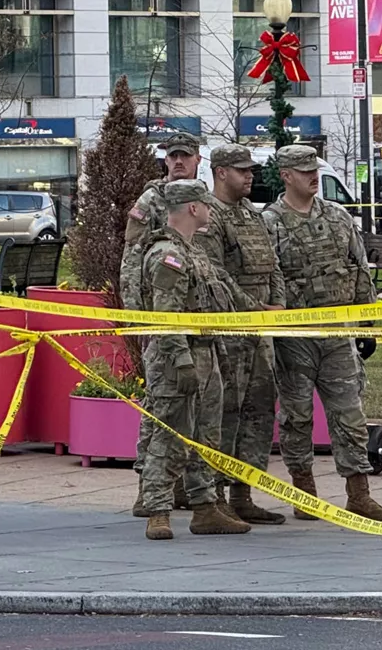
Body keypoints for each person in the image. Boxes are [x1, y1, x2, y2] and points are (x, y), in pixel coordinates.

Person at [263, 145, 382, 522]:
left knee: (350, 415)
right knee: (297, 418)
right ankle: (304, 492)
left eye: (314, 169)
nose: (313, 176)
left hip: (337, 337)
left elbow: (358, 267)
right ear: (286, 175)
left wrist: (367, 321)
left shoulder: (338, 217)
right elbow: (268, 279)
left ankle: (359, 493)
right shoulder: (270, 223)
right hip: (294, 340)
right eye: (304, 171)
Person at [140, 182, 252, 540]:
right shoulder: (168, 255)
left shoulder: (194, 251)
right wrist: (182, 361)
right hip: (177, 358)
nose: (210, 209)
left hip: (207, 353)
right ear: (192, 207)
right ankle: (157, 510)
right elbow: (166, 315)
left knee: (206, 437)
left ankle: (205, 508)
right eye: (206, 204)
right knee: (170, 435)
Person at [194, 144, 287, 525]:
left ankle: (243, 493)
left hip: (260, 331)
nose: (250, 176)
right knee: (224, 413)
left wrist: (277, 304)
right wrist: (255, 308)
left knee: (259, 411)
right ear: (220, 172)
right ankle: (214, 497)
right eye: (242, 170)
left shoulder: (252, 214)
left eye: (251, 170)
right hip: (230, 331)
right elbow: (215, 275)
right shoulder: (209, 216)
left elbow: (273, 264)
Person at [122, 130, 205, 518]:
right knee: (160, 403)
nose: (178, 162)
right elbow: (132, 258)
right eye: (172, 156)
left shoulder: (202, 200)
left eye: (184, 156)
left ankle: (184, 485)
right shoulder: (152, 200)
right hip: (160, 315)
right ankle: (149, 486)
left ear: (198, 159)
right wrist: (139, 317)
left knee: (194, 409)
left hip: (197, 319)